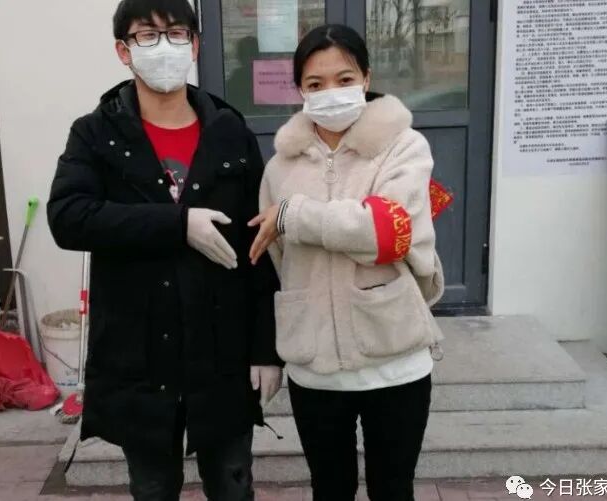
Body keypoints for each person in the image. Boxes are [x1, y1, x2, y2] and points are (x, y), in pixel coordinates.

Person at [47, 1, 282, 500]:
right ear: (123, 51)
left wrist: (266, 349)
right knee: (153, 487)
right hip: (141, 350)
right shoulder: (97, 133)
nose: (164, 47)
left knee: (233, 482)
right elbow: (68, 217)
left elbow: (259, 244)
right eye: (147, 36)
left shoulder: (229, 130)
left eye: (176, 34)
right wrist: (176, 224)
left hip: (221, 347)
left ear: (194, 45)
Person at [249, 24, 447, 501]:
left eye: (344, 79)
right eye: (315, 84)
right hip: (314, 366)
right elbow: (277, 261)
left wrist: (295, 215)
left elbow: (387, 233)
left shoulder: (403, 147)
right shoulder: (279, 167)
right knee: (329, 489)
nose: (331, 92)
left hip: (394, 358)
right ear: (300, 90)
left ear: (367, 78)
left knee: (392, 489)